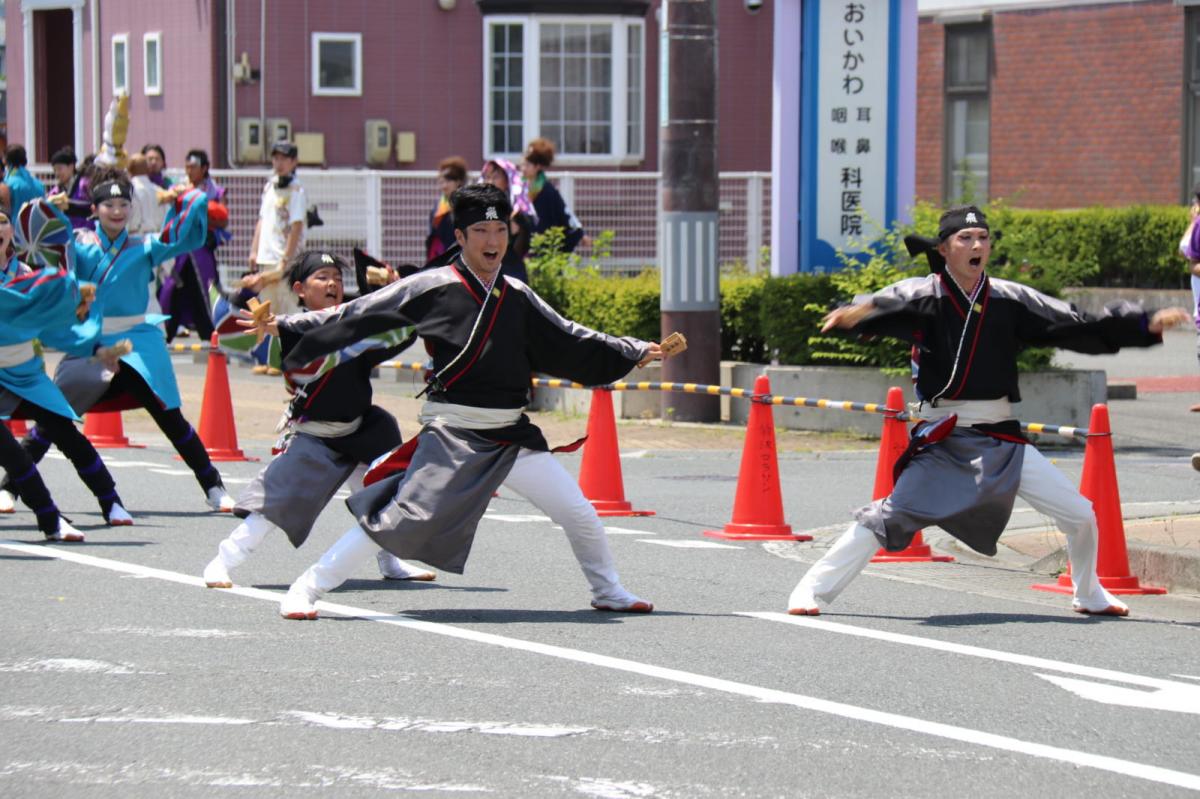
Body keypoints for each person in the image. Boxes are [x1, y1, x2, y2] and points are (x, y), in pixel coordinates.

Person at [244, 184, 662, 620]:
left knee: (577, 512)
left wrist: (632, 349)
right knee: (398, 520)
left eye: (501, 229)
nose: (493, 240)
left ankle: (608, 589)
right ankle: (307, 588)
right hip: (454, 434)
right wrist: (285, 326)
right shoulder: (431, 285)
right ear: (459, 237)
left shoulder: (516, 294)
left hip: (509, 432)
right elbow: (354, 314)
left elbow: (571, 336)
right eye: (480, 230)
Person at [786, 205, 1191, 619]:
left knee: (1081, 514)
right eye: (965, 239)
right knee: (887, 517)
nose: (977, 245)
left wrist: (1143, 326)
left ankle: (1088, 592)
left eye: (983, 237)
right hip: (946, 436)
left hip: (1001, 435)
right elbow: (879, 305)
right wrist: (856, 313)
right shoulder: (924, 294)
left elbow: (1074, 324)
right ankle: (811, 588)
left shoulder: (1010, 298)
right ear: (944, 249)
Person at [202, 249, 435, 588]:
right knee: (273, 504)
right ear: (300, 289)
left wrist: (399, 293)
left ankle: (390, 561)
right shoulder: (288, 332)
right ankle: (221, 562)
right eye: (322, 278)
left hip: (363, 430)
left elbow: (399, 333)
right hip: (317, 435)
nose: (332, 285)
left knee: (386, 495)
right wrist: (250, 304)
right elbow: (261, 339)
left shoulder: (352, 326)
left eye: (338, 280)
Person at [15, 168, 236, 513]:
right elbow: (49, 253)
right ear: (94, 210)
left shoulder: (144, 246)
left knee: (168, 413)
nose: (117, 211)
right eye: (108, 205)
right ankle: (11, 486)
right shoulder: (81, 245)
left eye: (123, 204)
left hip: (138, 339)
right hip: (94, 339)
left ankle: (213, 484)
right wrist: (47, 209)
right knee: (55, 413)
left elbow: (181, 237)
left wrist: (189, 197)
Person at [0, 201, 131, 538]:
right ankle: (50, 519)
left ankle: (110, 499)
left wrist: (95, 348)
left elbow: (55, 327)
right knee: (11, 451)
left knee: (64, 430)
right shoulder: (28, 284)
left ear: (11, 233)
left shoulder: (29, 277)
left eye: (1, 221)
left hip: (24, 371)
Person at [245, 141, 306, 375]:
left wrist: (287, 259)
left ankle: (289, 359)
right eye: (276, 158)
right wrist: (254, 249)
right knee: (264, 308)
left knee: (286, 306)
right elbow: (262, 220)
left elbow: (297, 226)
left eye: (284, 159)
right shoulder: (269, 186)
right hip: (266, 255)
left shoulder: (297, 190)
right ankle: (265, 358)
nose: (279, 163)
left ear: (293, 162)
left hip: (285, 259)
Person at [158, 149, 229, 342]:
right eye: (187, 166)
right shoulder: (179, 188)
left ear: (204, 168)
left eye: (194, 167)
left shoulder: (214, 191)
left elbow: (222, 218)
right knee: (172, 289)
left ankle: (213, 333)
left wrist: (199, 203)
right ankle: (165, 332)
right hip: (180, 249)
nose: (190, 171)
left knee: (206, 291)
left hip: (201, 247)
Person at [521, 138, 584, 253]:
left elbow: (567, 219)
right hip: (524, 251)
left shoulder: (548, 191)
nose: (523, 168)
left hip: (544, 251)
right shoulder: (519, 189)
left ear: (538, 166)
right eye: (523, 163)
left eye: (528, 164)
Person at [480, 158, 536, 284]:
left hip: (510, 269)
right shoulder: (478, 207)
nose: (490, 182)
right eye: (487, 177)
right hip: (484, 268)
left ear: (507, 180)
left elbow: (524, 242)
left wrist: (517, 224)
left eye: (495, 177)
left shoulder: (516, 207)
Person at [426, 156, 467, 262]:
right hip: (438, 257)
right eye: (441, 181)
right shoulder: (438, 205)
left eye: (448, 180)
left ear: (458, 181)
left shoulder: (465, 204)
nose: (444, 185)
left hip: (460, 257)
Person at [48, 148, 93, 231]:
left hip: (87, 232)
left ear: (71, 167)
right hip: (67, 234)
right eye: (55, 170)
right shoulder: (55, 191)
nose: (57, 173)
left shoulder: (84, 185)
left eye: (60, 169)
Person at [2, 145, 45, 217]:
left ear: (6, 160)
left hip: (15, 225)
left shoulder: (7, 184)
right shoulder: (39, 184)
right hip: (37, 225)